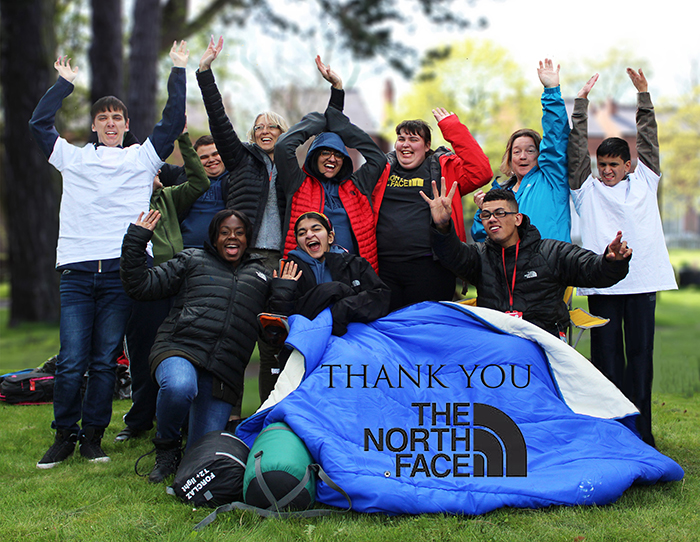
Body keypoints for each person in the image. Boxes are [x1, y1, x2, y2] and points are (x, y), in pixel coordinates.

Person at [30, 43, 188, 469]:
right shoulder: (73, 158)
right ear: (95, 126)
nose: (111, 122)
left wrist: (177, 69)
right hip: (78, 274)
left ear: (126, 124)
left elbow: (173, 121)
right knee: (71, 361)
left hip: (122, 273)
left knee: (103, 360)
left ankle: (93, 438)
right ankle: (64, 435)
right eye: (103, 118)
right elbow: (39, 123)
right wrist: (64, 85)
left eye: (117, 117)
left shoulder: (141, 159)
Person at [120, 209, 299, 482]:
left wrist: (283, 291)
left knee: (200, 459)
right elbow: (141, 286)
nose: (232, 237)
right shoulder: (192, 259)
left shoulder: (261, 276)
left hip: (223, 371)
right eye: (225, 232)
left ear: (247, 239)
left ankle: (185, 453)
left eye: (239, 233)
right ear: (214, 237)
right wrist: (136, 240)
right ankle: (166, 450)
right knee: (180, 386)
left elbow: (272, 334)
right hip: (180, 348)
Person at [568, 69, 677, 447]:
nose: (608, 170)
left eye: (615, 164)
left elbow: (648, 140)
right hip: (604, 285)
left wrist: (643, 96)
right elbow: (575, 148)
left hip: (643, 282)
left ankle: (642, 432)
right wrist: (580, 104)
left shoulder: (645, 180)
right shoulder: (587, 190)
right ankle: (611, 430)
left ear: (628, 165)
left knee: (641, 359)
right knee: (606, 360)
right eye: (603, 165)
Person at [196, 36, 290, 404]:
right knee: (234, 338)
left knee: (273, 341)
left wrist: (337, 91)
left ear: (284, 135)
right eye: (259, 128)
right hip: (244, 258)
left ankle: (269, 412)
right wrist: (205, 73)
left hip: (281, 261)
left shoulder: (291, 168)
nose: (265, 132)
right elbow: (219, 123)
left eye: (273, 127)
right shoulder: (240, 159)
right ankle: (228, 417)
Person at [422, 185, 631, 338]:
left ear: (517, 218)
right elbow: (452, 255)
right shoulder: (479, 256)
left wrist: (612, 262)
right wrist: (442, 226)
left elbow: (592, 270)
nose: (492, 219)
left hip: (542, 342)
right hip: (497, 341)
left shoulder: (550, 252)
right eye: (486, 215)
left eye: (500, 213)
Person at [115, 129, 211, 443]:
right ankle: (139, 419)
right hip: (145, 286)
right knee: (142, 354)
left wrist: (183, 139)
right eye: (150, 170)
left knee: (179, 349)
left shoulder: (167, 197)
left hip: (175, 283)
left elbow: (200, 181)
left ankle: (180, 419)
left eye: (158, 170)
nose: (157, 173)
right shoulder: (124, 201)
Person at [371, 102, 492, 311]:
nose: (405, 144)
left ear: (427, 146)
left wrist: (452, 128)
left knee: (427, 330)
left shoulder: (444, 168)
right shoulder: (381, 169)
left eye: (413, 139)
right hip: (384, 268)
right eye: (401, 139)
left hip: (430, 268)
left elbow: (481, 172)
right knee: (389, 332)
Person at [276, 56, 387, 272]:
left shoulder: (357, 185)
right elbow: (283, 147)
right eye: (325, 153)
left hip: (353, 274)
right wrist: (317, 122)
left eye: (338, 154)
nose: (332, 159)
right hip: (307, 273)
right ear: (314, 156)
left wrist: (339, 120)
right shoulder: (298, 183)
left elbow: (378, 157)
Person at [471, 59, 571, 243]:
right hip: (514, 269)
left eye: (530, 150)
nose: (523, 156)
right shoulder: (501, 192)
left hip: (553, 267)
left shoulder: (552, 179)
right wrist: (483, 212)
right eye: (516, 152)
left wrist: (551, 92)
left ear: (540, 155)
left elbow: (556, 138)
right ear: (509, 158)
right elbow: (482, 237)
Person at [280, 211, 391, 337]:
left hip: (356, 335)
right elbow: (281, 319)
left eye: (316, 229)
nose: (309, 235)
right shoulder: (291, 269)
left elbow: (381, 298)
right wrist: (282, 291)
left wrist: (344, 308)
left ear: (330, 237)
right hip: (310, 337)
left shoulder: (354, 264)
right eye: (302, 233)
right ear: (298, 243)